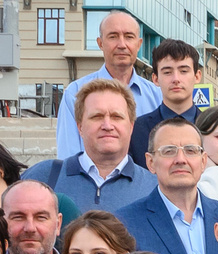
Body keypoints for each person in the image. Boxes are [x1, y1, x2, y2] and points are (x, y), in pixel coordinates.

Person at [120, 117, 218, 254]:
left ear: (203, 161)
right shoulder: (125, 224)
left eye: (190, 151)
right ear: (151, 162)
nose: (180, 159)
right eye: (169, 151)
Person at [26, 79, 155, 219]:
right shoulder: (43, 177)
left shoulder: (155, 188)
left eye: (116, 117)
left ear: (131, 126)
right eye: (97, 117)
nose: (107, 125)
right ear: (80, 127)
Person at [55, 11, 165, 164]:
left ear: (139, 44)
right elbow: (68, 157)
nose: (122, 45)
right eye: (113, 37)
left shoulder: (157, 96)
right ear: (100, 43)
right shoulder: (75, 93)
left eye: (129, 37)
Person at [127, 40, 205, 166]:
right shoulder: (136, 130)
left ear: (197, 76)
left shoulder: (212, 128)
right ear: (155, 79)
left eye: (183, 71)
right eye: (167, 72)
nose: (176, 79)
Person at [1, 181, 67, 254]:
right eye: (18, 217)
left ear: (58, 224)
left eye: (41, 217)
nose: (30, 228)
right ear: (2, 223)